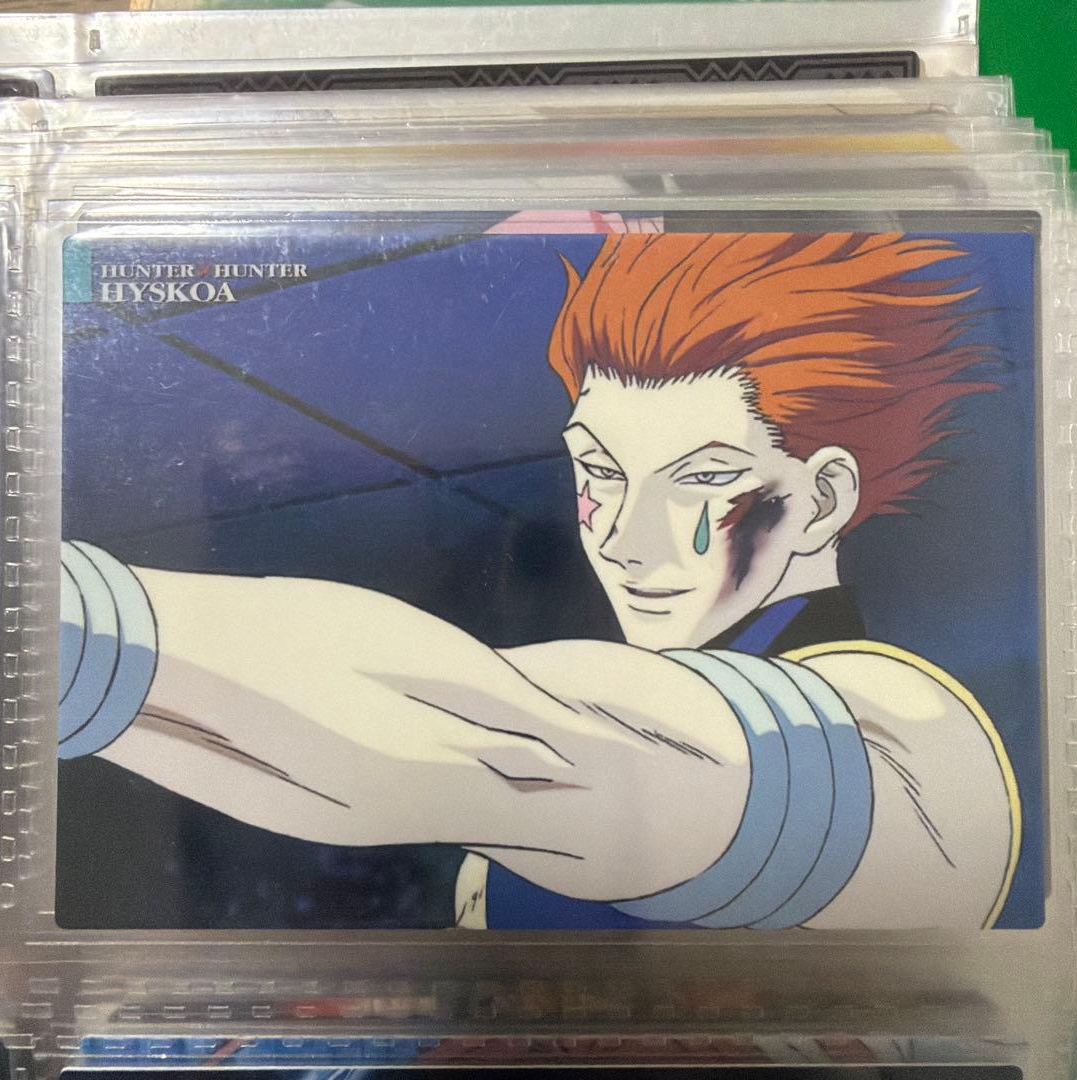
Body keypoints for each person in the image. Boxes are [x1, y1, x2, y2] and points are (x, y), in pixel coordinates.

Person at [58, 231, 1020, 930]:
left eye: (702, 479)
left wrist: (52, 627)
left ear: (822, 497)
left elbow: (515, 745)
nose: (628, 540)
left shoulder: (915, 742)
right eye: (600, 471)